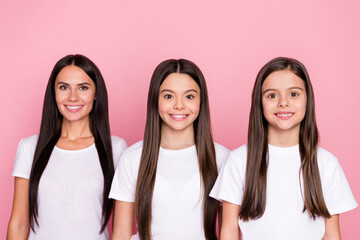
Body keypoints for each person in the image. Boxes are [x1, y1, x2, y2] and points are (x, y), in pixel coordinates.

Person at [210, 57, 358, 240]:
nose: (283, 102)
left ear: (307, 99)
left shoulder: (327, 164)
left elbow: (331, 234)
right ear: (259, 103)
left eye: (293, 94)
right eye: (272, 95)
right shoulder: (239, 160)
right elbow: (229, 231)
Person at [7, 54, 127, 240]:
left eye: (83, 88)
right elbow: (19, 223)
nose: (73, 97)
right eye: (64, 87)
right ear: (53, 93)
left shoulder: (116, 149)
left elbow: (122, 230)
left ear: (96, 94)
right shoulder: (30, 148)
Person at [109, 59, 230, 240]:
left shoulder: (222, 158)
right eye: (168, 96)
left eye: (189, 96)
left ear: (201, 101)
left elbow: (229, 232)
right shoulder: (133, 158)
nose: (179, 105)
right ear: (155, 99)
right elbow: (121, 234)